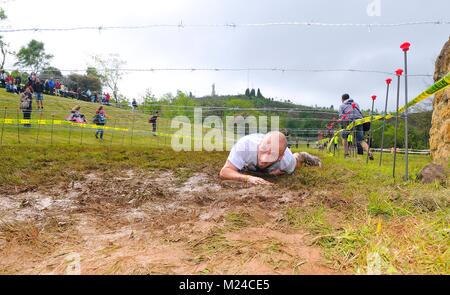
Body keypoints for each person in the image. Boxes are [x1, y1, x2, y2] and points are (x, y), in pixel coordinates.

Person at [219, 131, 321, 185]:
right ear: (260, 144)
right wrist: (248, 178)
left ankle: (302, 155)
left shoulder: (286, 161)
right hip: (252, 154)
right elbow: (225, 171)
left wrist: (277, 173)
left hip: (288, 159)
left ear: (280, 157)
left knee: (296, 163)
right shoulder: (244, 145)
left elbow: (287, 172)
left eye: (272, 154)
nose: (264, 159)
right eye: (263, 149)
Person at [338, 94, 373, 159]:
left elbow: (341, 116)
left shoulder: (342, 106)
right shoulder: (356, 104)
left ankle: (346, 154)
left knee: (344, 137)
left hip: (348, 122)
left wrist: (340, 122)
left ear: (342, 99)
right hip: (359, 121)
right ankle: (369, 152)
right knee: (361, 140)